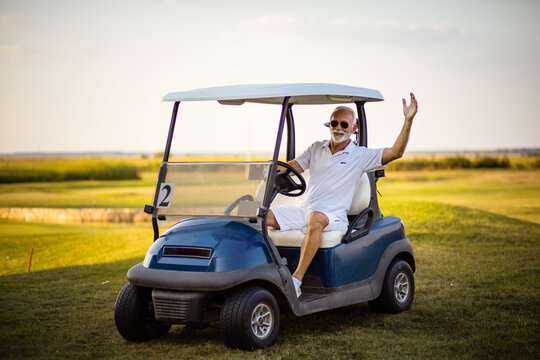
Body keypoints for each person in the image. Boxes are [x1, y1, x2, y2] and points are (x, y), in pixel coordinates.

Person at [267, 93, 418, 297]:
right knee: (261, 216)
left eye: (344, 125)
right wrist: (268, 169)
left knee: (315, 218)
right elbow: (292, 167)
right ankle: (263, 274)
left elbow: (395, 152)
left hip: (334, 216)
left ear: (354, 129)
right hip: (305, 210)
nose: (338, 128)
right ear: (328, 124)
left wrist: (408, 120)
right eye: (334, 123)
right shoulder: (316, 148)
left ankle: (295, 281)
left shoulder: (360, 155)